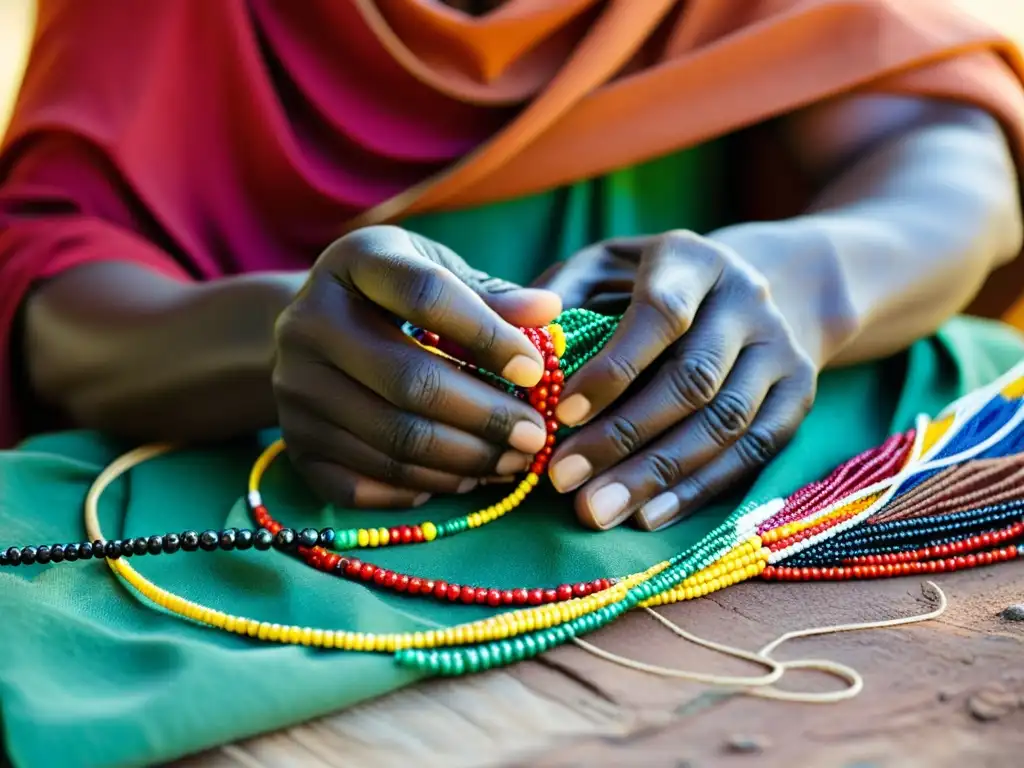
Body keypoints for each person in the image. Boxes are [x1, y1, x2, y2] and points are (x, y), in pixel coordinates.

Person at [0, 1, 1023, 765]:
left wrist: (809, 284)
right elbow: (51, 278)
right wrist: (265, 337)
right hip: (246, 481)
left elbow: (948, 157)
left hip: (765, 451)